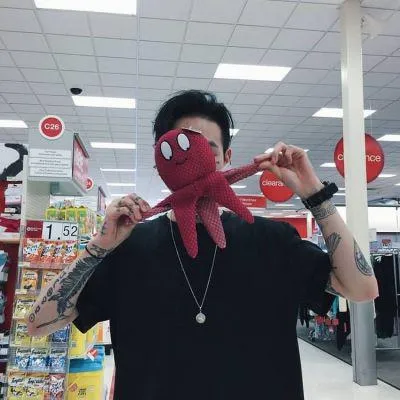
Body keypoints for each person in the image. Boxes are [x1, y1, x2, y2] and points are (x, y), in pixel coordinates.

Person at [27, 90, 378, 400]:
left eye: (207, 150)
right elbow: (38, 324)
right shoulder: (129, 249)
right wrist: (98, 247)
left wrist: (315, 194)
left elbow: (362, 288)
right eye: (180, 148)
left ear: (227, 157)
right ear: (160, 159)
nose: (193, 162)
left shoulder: (272, 241)